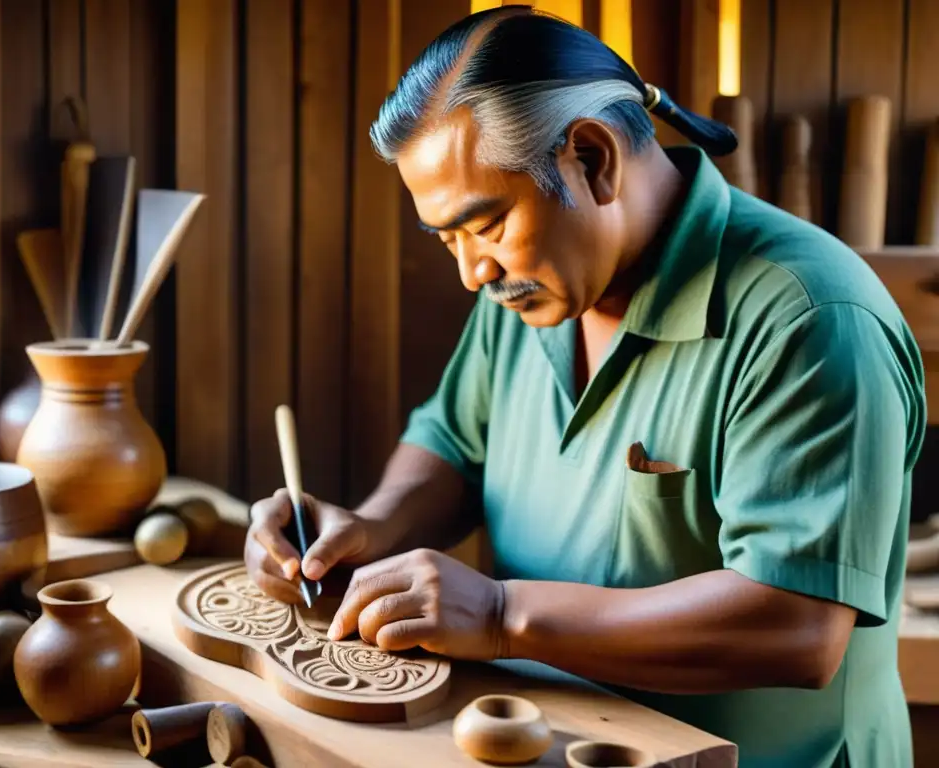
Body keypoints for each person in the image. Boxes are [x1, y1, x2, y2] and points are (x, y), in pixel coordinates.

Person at [245, 6, 926, 767]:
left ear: (594, 159)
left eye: (488, 224)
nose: (473, 271)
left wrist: (505, 615)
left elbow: (796, 628)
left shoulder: (810, 317)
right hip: (559, 741)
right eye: (448, 239)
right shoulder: (533, 284)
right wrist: (370, 528)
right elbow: (453, 442)